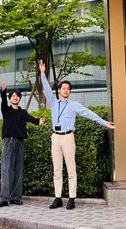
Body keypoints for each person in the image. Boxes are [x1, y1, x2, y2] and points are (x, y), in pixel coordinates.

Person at [38, 59, 115, 210]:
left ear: (70, 92)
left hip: (68, 137)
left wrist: (104, 122)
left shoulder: (74, 105)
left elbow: (89, 114)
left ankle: (72, 198)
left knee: (71, 169)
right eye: (63, 88)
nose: (65, 90)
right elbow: (46, 89)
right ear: (59, 90)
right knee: (57, 170)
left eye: (68, 89)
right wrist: (42, 73)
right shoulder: (53, 102)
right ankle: (58, 198)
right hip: (55, 137)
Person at [0, 81, 44, 208]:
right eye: (12, 96)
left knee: (18, 169)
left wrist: (38, 121)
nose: (15, 98)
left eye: (17, 96)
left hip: (20, 143)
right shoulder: (6, 110)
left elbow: (31, 119)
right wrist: (3, 91)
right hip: (8, 142)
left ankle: (16, 197)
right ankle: (5, 198)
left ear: (20, 98)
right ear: (10, 98)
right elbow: (3, 101)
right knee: (6, 169)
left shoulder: (23, 113)